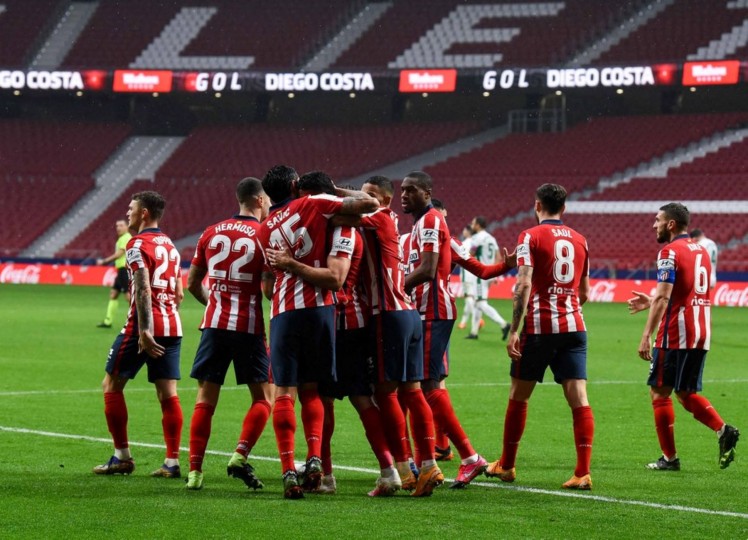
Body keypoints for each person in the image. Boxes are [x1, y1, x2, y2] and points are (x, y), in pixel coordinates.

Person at [266, 176, 394, 496]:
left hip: (343, 321)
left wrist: (290, 264)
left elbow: (336, 278)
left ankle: (389, 468)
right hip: (330, 319)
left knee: (354, 398)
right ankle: (330, 472)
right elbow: (364, 209)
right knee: (336, 398)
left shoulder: (340, 228)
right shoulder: (329, 221)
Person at [486, 183, 595, 490]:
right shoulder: (581, 239)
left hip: (538, 328)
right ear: (565, 208)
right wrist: (566, 309)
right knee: (579, 398)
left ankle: (506, 465)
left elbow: (522, 285)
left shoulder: (529, 236)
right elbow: (584, 291)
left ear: (537, 206)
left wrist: (515, 330)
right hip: (575, 327)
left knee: (519, 395)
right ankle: (582, 472)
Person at [628, 203, 739, 471]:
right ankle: (722, 430)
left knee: (659, 392)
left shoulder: (668, 252)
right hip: (701, 330)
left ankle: (669, 458)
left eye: (657, 220)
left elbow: (666, 295)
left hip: (675, 333)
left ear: (671, 224)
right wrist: (651, 300)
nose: (653, 225)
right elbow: (684, 288)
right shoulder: (700, 250)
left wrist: (646, 334)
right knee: (685, 392)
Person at [184, 177, 273, 491]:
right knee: (264, 397)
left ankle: (194, 473)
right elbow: (267, 291)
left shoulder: (211, 231)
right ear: (260, 200)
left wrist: (217, 302)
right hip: (248, 327)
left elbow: (192, 283)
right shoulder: (264, 234)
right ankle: (239, 454)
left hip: (214, 325)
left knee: (205, 399)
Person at [401, 171, 488, 490]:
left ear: (427, 192)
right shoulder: (414, 228)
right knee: (422, 386)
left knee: (425, 386)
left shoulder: (432, 221)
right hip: (423, 310)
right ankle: (431, 461)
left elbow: (426, 270)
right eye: (402, 190)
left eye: (411, 190)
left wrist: (397, 288)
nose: (404, 194)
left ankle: (462, 457)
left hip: (433, 309)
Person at [359, 175, 441, 497]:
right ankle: (430, 463)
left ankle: (406, 470)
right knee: (413, 392)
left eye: (368, 195)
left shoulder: (375, 218)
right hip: (409, 313)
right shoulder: (390, 219)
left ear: (382, 200)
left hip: (388, 315)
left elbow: (336, 211)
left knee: (386, 393)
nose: (361, 200)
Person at [93, 191, 184, 479]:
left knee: (111, 385)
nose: (127, 213)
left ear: (144, 212)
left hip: (141, 327)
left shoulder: (136, 245)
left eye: (131, 209)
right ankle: (171, 462)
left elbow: (143, 288)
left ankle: (122, 457)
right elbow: (179, 293)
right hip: (172, 324)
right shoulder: (170, 245)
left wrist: (144, 330)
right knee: (168, 394)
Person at [465, 216, 511, 341]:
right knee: (477, 302)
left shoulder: (476, 238)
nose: (472, 225)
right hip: (490, 272)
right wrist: (495, 274)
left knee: (480, 303)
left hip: (480, 274)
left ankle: (504, 324)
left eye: (473, 223)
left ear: (478, 225)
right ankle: (474, 332)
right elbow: (498, 257)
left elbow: (471, 254)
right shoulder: (491, 238)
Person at [96, 219, 132, 328]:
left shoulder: (126, 238)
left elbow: (119, 254)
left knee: (129, 296)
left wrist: (104, 261)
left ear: (127, 227)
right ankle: (108, 321)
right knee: (114, 294)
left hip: (124, 270)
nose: (118, 228)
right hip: (120, 270)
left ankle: (139, 320)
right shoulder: (122, 238)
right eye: (117, 226)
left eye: (121, 225)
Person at [456, 224, 480, 331]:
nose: (463, 232)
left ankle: (478, 320)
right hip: (474, 273)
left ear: (468, 232)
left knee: (468, 298)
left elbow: (461, 258)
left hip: (466, 272)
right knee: (470, 298)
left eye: (464, 230)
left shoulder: (465, 243)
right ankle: (463, 322)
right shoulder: (475, 242)